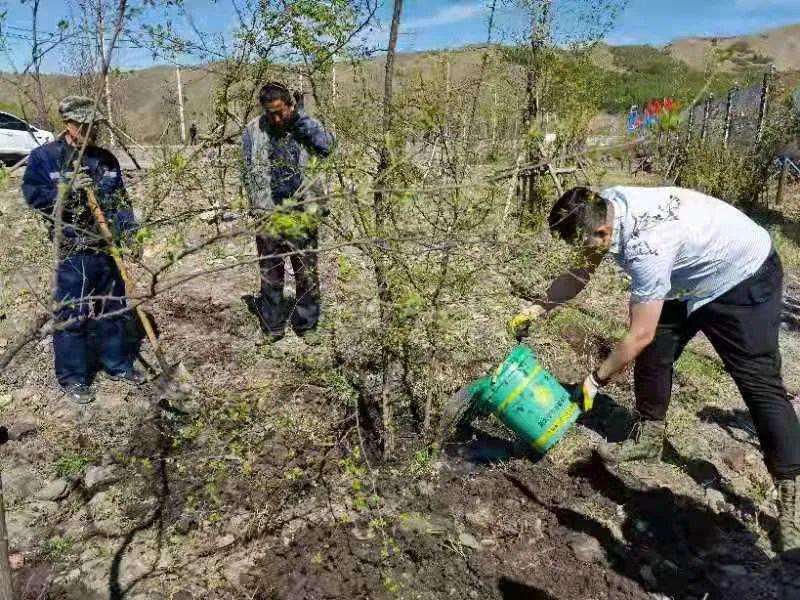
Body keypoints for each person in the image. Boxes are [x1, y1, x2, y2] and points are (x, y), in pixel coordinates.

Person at [536, 185, 800, 553]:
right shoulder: (603, 206)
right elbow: (581, 271)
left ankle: (790, 500)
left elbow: (637, 334)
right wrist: (538, 308)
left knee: (759, 384)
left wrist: (594, 381)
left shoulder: (648, 247)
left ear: (603, 232)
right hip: (686, 275)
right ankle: (650, 438)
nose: (583, 253)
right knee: (657, 349)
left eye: (586, 243)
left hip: (744, 276)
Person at [21, 96, 143, 404]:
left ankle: (117, 363)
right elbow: (34, 197)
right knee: (71, 313)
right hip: (73, 248)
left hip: (106, 247)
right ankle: (74, 376)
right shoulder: (45, 158)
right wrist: (67, 191)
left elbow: (120, 202)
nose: (91, 132)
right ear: (69, 124)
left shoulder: (105, 159)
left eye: (95, 126)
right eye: (84, 126)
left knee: (114, 307)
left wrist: (130, 233)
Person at [241, 81, 334, 343]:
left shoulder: (306, 125)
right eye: (270, 113)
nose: (276, 117)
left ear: (290, 105)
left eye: (281, 111)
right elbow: (247, 171)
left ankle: (307, 325)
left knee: (306, 272)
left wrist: (301, 120)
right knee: (270, 273)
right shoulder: (252, 131)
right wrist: (255, 206)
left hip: (303, 212)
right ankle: (273, 327)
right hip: (268, 213)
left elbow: (328, 146)